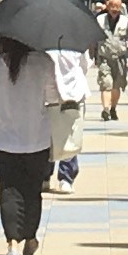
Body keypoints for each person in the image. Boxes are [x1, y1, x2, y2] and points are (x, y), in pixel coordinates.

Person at [0, 31, 62, 255]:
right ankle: (31, 237)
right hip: (37, 138)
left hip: (5, 140)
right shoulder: (43, 62)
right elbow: (54, 99)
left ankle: (12, 243)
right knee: (32, 191)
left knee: (9, 190)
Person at [48, 43, 90, 185]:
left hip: (59, 94)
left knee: (57, 135)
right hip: (68, 92)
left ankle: (57, 176)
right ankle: (63, 177)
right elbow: (85, 66)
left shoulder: (45, 41)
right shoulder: (76, 40)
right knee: (68, 134)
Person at [94, 0, 128, 121]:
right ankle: (105, 110)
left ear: (121, 7)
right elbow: (93, 38)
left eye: (117, 6)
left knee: (116, 86)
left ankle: (113, 108)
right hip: (104, 58)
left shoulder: (125, 21)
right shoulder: (100, 20)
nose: (115, 9)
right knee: (106, 84)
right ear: (107, 6)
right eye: (112, 6)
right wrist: (91, 53)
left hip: (119, 59)